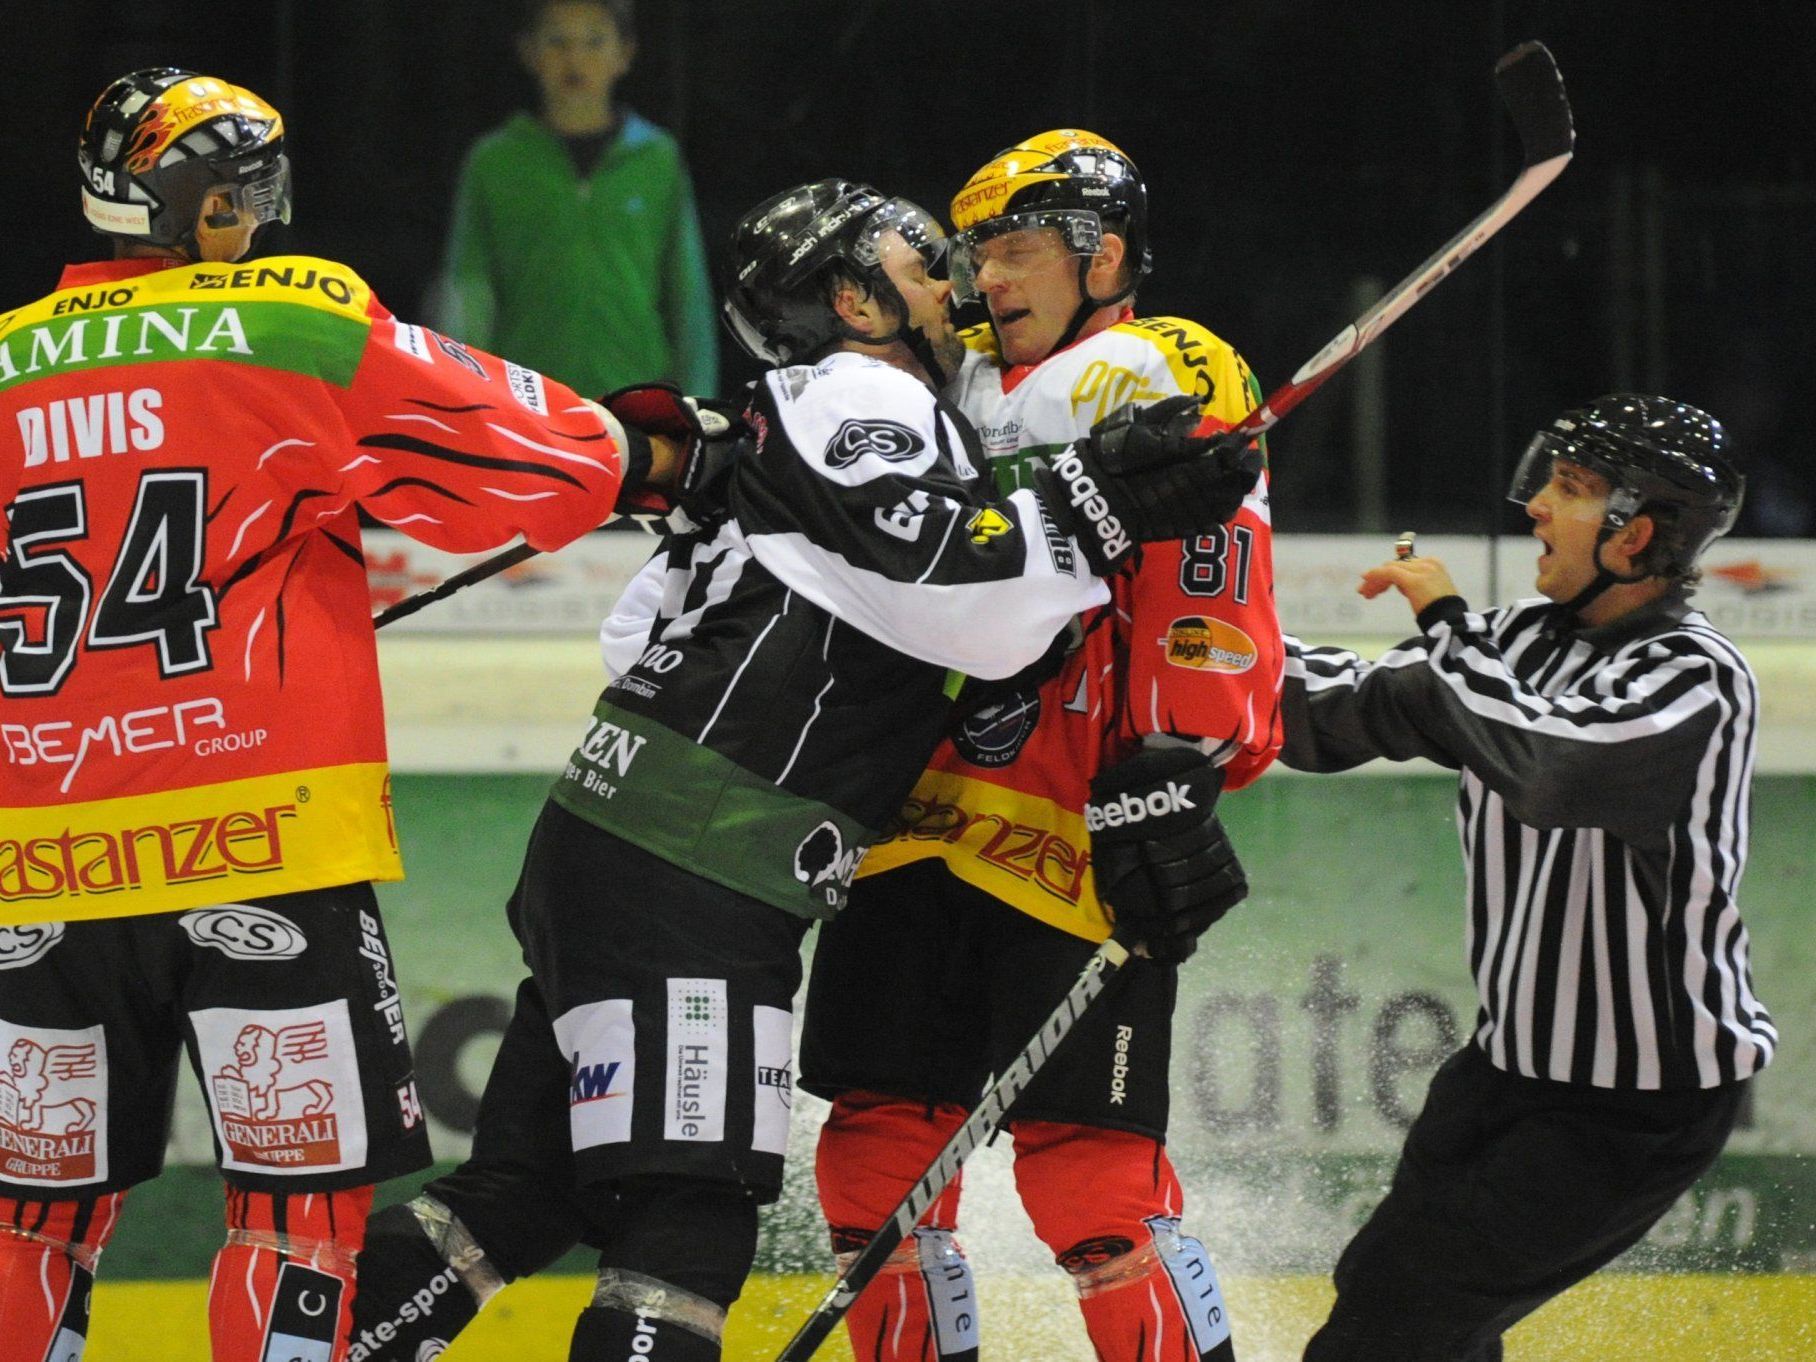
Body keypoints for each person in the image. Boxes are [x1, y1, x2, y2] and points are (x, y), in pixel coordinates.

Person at [343, 178, 1259, 1362]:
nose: (958, 288)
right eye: (926, 266)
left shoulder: (792, 430)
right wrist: (1099, 498)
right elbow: (964, 595)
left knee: (518, 1195)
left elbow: (638, 634)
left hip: (623, 840)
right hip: (702, 866)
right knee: (686, 1224)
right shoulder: (859, 394)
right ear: (855, 302)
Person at [0, 67, 690, 1362]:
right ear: (198, 203)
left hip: (38, 863)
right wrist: (642, 446)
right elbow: (558, 462)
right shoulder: (284, 319)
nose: (257, 213)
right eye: (242, 188)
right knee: (292, 1225)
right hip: (262, 842)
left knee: (33, 1225)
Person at [795, 129, 1280, 1362]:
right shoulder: (935, 377)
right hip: (910, 815)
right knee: (872, 1171)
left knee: (1090, 1188)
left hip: (1077, 819)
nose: (988, 276)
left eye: (1016, 249)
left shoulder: (1160, 363)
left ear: (1101, 256)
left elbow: (1212, 574)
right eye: (977, 253)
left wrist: (1180, 760)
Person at [1283, 396, 1773, 1361]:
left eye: (1572, 489)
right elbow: (1349, 705)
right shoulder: (1516, 642)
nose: (1537, 506)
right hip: (1506, 1067)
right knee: (1400, 1302)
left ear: (1635, 535)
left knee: (1395, 1321)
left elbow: (1552, 767)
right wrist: (1189, 640)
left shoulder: (1697, 675)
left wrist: (1447, 624)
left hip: (1637, 1106)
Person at [435, 0, 718, 398]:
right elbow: (468, 293)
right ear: (529, 51)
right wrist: (460, 397)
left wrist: (698, 402)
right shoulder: (494, 162)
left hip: (636, 398)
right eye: (557, 41)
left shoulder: (658, 159)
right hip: (528, 399)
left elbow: (689, 297)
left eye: (594, 41)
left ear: (625, 53)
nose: (575, 59)